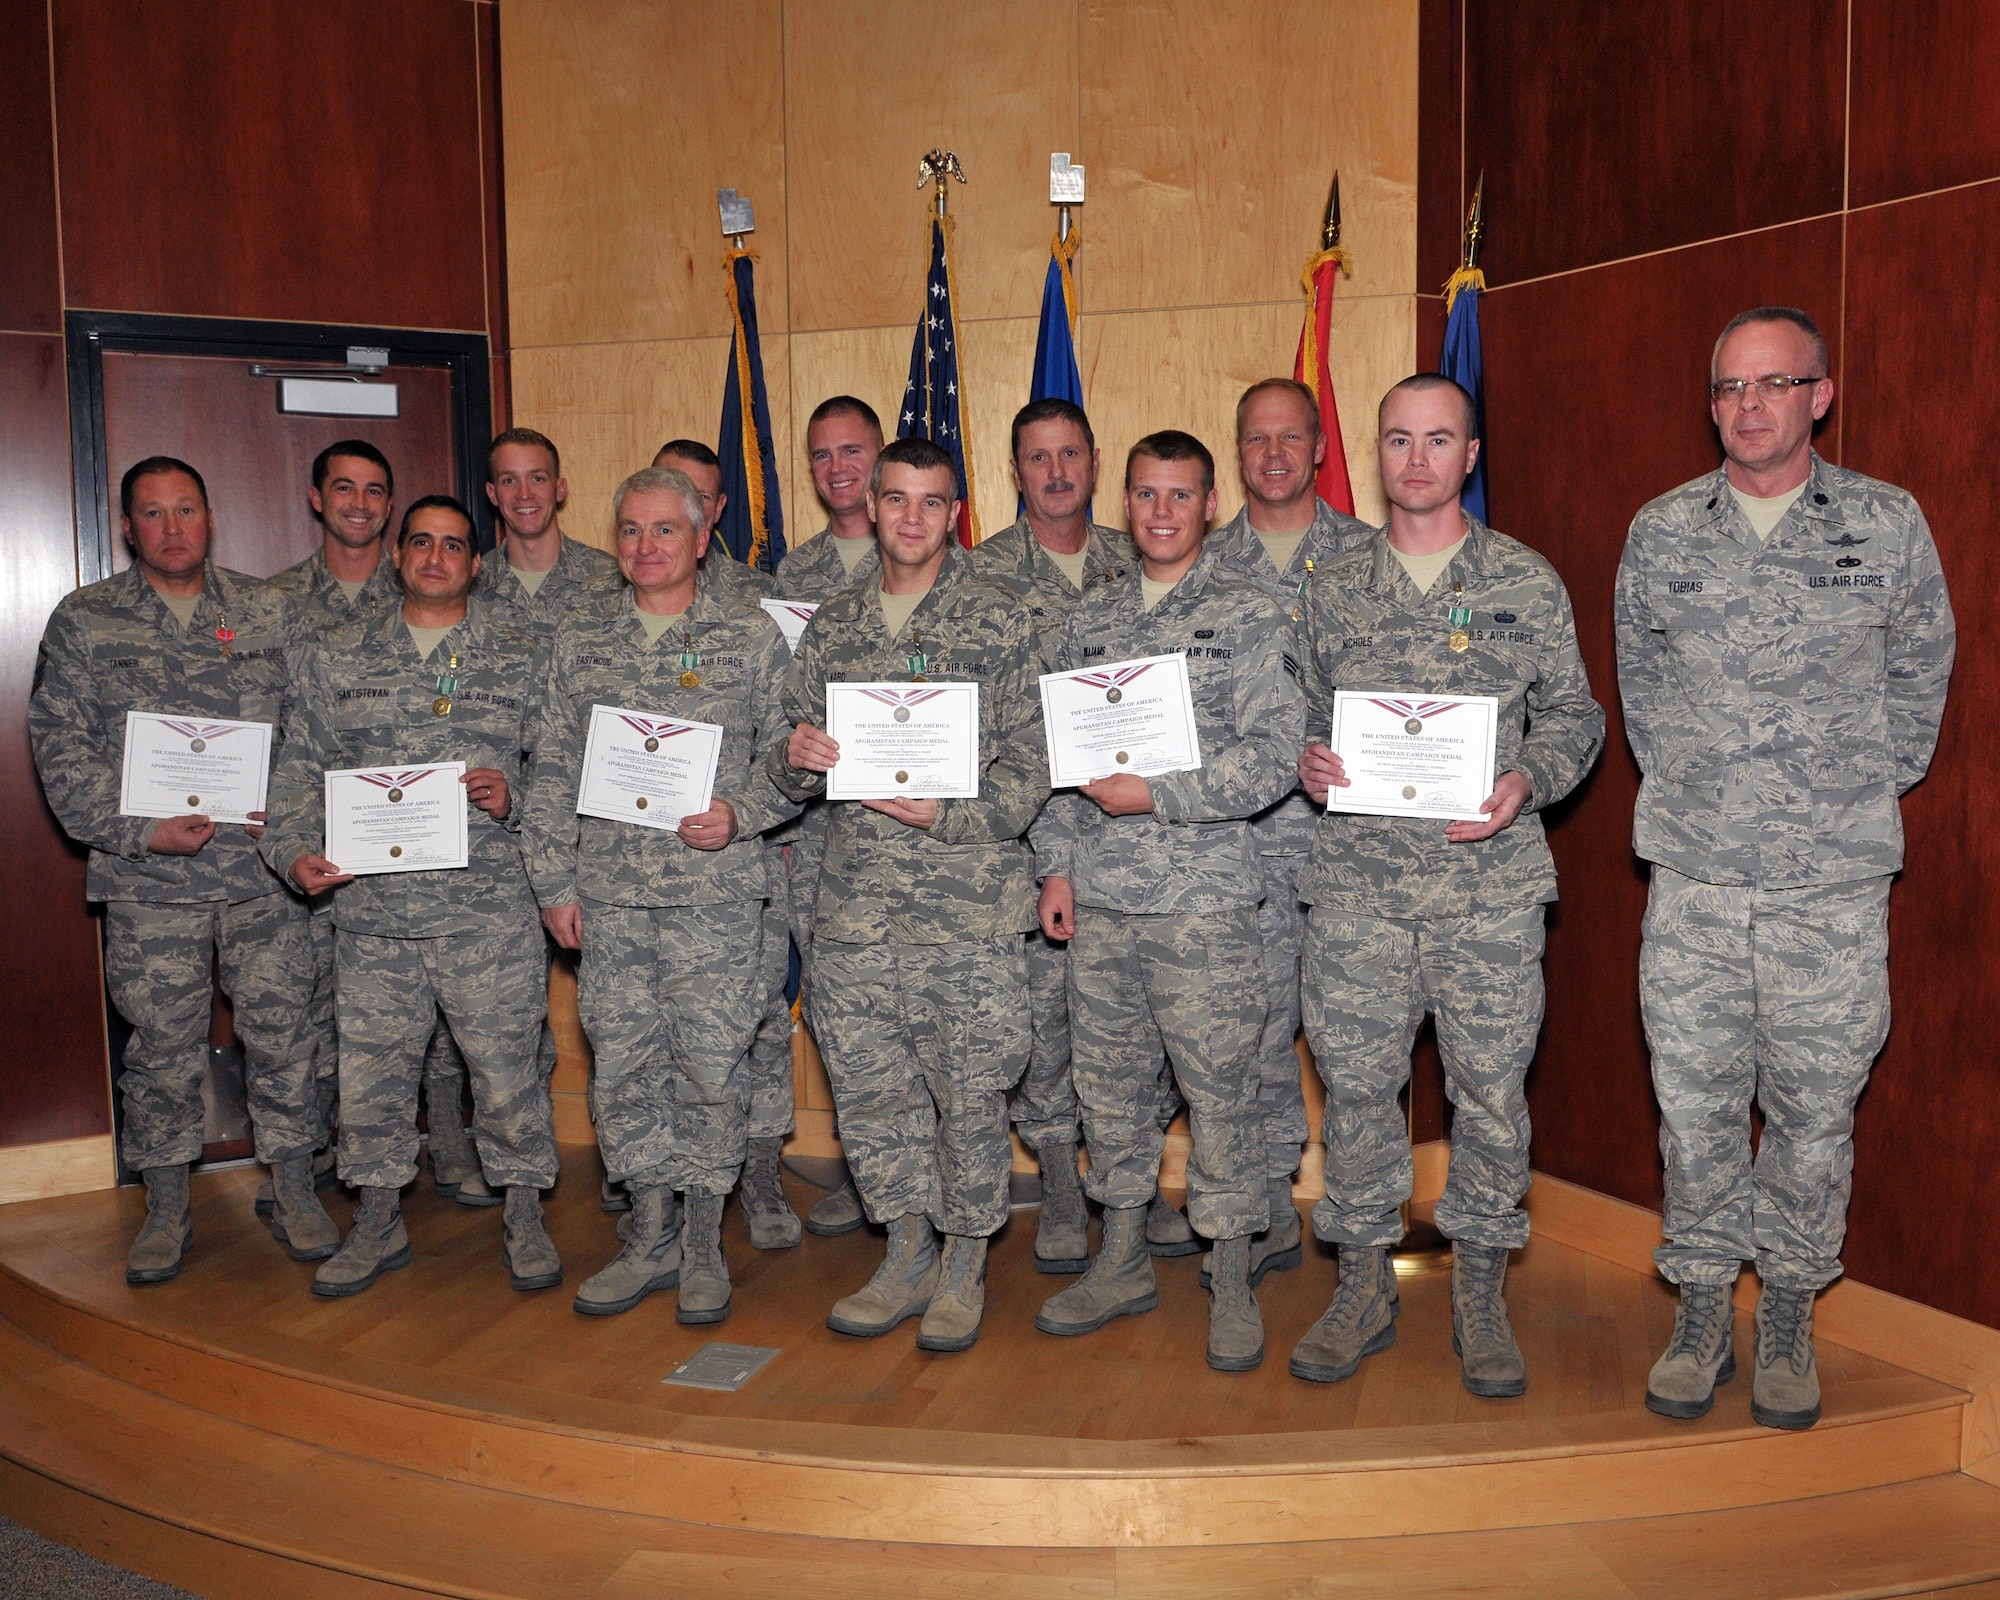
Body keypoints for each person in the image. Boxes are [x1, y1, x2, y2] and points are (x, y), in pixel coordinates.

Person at [1615, 307, 1954, 1430]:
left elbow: (1917, 684)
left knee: (1814, 1109)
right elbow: (1644, 695)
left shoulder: (1886, 524)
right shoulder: (1660, 532)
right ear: (1708, 402)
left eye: (1772, 383)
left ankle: (1793, 1309)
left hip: (1829, 885)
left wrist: (1835, 795)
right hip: (1698, 882)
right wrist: (1713, 799)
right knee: (1694, 1101)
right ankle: (1704, 1305)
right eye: (1726, 388)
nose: (1746, 406)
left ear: (1819, 394)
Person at [1291, 375, 1603, 1397]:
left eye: (1437, 440)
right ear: (1375, 455)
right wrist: (1309, 760)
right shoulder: (1329, 587)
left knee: (1488, 1100)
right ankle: (1361, 1286)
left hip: (1485, 892)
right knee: (1356, 1098)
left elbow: (1575, 717)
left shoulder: (1523, 579)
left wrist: (1530, 777)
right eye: (1396, 439)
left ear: (1470, 454)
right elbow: (1296, 716)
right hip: (1357, 898)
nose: (1415, 458)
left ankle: (1476, 1290)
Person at [1032, 430, 1302, 1372]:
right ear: (1127, 503)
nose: (1160, 512)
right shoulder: (1089, 623)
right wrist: (1056, 867)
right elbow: (1061, 768)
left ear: (1209, 504)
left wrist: (1161, 792)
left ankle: (1229, 1271)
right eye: (1145, 495)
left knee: (1220, 1094)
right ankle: (1121, 1259)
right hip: (1101, 903)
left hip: (1205, 902)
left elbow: (1275, 759)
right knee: (1108, 1093)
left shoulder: (1253, 613)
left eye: (1179, 496)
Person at [770, 436, 1047, 1353]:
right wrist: (796, 758)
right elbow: (791, 754)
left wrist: (948, 816)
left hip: (965, 910)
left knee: (969, 1093)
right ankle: (905, 1249)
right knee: (872, 1090)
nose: (912, 518)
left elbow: (1032, 769)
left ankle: (964, 1261)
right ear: (873, 507)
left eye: (932, 502)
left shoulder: (1004, 619)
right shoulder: (834, 626)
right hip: (852, 909)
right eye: (896, 500)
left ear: (955, 513)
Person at [30, 458, 331, 1282]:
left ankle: (297, 1191)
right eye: (153, 515)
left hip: (262, 877)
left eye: (186, 510)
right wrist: (141, 829)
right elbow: (60, 747)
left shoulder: (271, 613)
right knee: (161, 1047)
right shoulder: (86, 620)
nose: (172, 529)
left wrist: (293, 809)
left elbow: (312, 731)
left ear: (210, 516)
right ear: (128, 528)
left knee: (283, 1036)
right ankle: (166, 1208)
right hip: (150, 882)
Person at [264, 496, 561, 1297]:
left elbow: (565, 772)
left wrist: (516, 796)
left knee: (507, 1077)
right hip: (376, 920)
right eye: (421, 543)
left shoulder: (525, 652)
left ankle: (525, 1214)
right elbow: (296, 770)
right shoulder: (337, 654)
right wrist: (293, 851)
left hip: (488, 916)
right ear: (399, 554)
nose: (436, 557)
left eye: (454, 545)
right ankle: (377, 1220)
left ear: (476, 560)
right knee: (372, 1083)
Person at [526, 466, 798, 1323]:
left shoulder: (752, 637)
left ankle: (702, 1242)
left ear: (698, 536)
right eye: (632, 532)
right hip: (608, 898)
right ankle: (647, 1234)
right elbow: (551, 770)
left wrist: (741, 813)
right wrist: (553, 883)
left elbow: (794, 758)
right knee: (625, 1067)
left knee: (711, 1071)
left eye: (665, 531)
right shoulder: (580, 640)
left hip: (714, 899)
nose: (647, 548)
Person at [969, 398, 1141, 1273]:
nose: (1056, 472)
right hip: (1023, 841)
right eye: (1037, 458)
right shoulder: (980, 577)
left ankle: (1127, 1194)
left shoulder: (1140, 558)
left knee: (1130, 1030)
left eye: (1070, 453)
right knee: (1040, 1025)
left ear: (1095, 459)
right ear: (1016, 470)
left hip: (1134, 844)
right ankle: (1064, 1189)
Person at [1207, 379, 1373, 1285]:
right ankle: (1270, 1203)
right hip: (1240, 844)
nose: (1273, 454)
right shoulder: (1201, 562)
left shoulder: (1371, 556)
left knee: (1352, 1037)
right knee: (1254, 1026)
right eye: (1256, 438)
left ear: (1318, 449)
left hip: (1353, 842)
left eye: (1291, 438)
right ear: (1239, 452)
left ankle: (1359, 1220)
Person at [653, 438, 800, 1251]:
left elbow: (781, 740)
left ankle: (761, 1169)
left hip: (748, 858)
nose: (692, 510)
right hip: (645, 864)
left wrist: (748, 817)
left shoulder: (757, 606)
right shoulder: (617, 614)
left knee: (757, 1024)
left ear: (713, 517)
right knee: (660, 1036)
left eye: (704, 498)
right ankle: (665, 1186)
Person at [266, 440, 406, 1214]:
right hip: (303, 846)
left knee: (403, 1019)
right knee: (304, 1012)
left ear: (390, 504)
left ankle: (417, 1153)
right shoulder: (270, 604)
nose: (359, 503)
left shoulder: (423, 586)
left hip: (397, 848)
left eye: (374, 490)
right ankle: (310, 1167)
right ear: (316, 498)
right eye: (343, 488)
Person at [768, 396, 886, 1240]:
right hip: (822, 838)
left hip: (919, 826)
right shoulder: (791, 581)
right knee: (844, 1010)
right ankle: (860, 1166)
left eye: (853, 451)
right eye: (821, 456)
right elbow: (777, 718)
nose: (838, 468)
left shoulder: (932, 559)